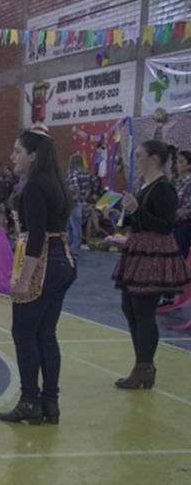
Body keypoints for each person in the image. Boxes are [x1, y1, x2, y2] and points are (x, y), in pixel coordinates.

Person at [0, 126, 76, 426]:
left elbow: (37, 236)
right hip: (62, 261)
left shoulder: (34, 187)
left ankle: (30, 399)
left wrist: (24, 279)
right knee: (46, 333)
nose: (12, 156)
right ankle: (49, 402)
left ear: (33, 155)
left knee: (24, 333)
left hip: (43, 264)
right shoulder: (54, 182)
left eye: (17, 151)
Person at [110, 141, 191, 389]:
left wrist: (137, 211)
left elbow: (166, 225)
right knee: (130, 308)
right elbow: (144, 220)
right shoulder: (145, 186)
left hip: (153, 254)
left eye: (139, 155)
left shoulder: (164, 188)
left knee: (143, 312)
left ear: (153, 159)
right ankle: (143, 364)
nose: (136, 159)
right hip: (139, 250)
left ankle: (144, 367)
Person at [66, 154, 97, 258]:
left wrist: (76, 196)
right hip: (82, 203)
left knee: (73, 226)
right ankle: (72, 248)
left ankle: (74, 249)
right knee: (73, 225)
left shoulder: (72, 173)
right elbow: (95, 182)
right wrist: (87, 194)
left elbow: (74, 186)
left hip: (74, 203)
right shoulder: (87, 173)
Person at [173, 149, 191, 259]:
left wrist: (182, 211)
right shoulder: (177, 180)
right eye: (177, 161)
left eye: (181, 162)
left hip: (185, 224)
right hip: (174, 222)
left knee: (178, 257)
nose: (177, 164)